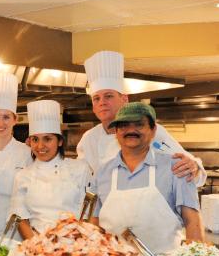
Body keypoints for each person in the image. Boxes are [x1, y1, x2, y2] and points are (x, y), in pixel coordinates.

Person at [78, 50, 205, 185]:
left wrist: (194, 168)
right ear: (93, 106)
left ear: (124, 99)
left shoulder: (148, 131)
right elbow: (81, 180)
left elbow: (190, 170)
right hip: (108, 204)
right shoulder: (89, 139)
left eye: (108, 96)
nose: (102, 102)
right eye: (96, 98)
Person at [91, 102, 203, 254]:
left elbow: (192, 220)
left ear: (153, 130)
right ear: (116, 132)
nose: (131, 130)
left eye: (139, 124)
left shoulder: (176, 167)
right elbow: (95, 224)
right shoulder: (103, 172)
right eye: (124, 125)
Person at [11, 100, 92, 239]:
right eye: (35, 139)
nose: (40, 146)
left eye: (47, 139)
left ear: (60, 141)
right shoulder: (23, 176)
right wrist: (37, 246)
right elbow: (20, 218)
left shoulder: (80, 169)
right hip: (37, 244)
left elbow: (88, 214)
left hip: (74, 243)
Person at [0, 72, 33, 236]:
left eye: (6, 117)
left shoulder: (27, 153)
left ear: (15, 119)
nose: (0, 123)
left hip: (18, 232)